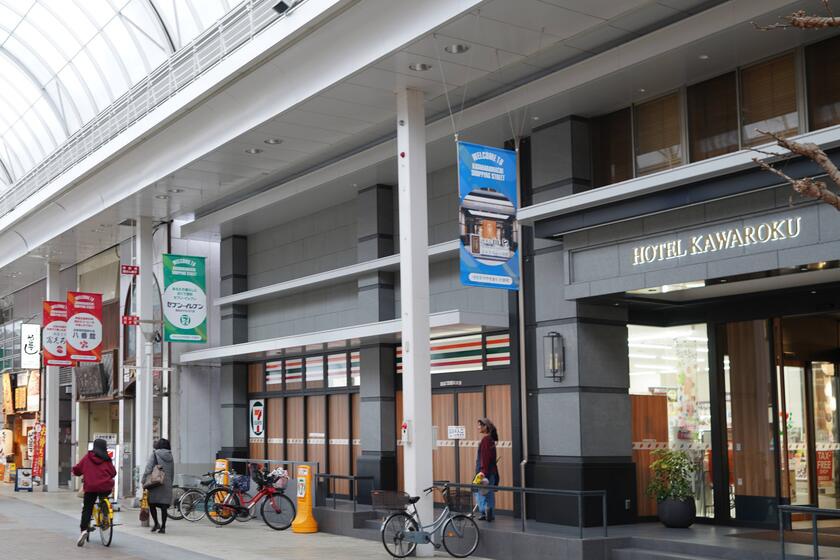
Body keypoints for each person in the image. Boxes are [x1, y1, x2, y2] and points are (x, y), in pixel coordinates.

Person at [72, 438, 116, 547]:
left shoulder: (88, 457)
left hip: (91, 487)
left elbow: (78, 469)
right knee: (103, 497)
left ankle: (84, 530)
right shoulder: (107, 458)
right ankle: (105, 513)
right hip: (105, 487)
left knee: (87, 508)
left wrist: (75, 471)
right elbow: (113, 473)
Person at [142, 438, 175, 534]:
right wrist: (170, 483)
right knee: (164, 506)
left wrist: (143, 480)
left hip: (155, 482)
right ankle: (163, 527)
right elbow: (172, 471)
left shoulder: (155, 454)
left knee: (152, 504)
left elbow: (148, 468)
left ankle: (156, 523)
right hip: (167, 483)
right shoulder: (170, 456)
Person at [475, 417, 499, 522]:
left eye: (480, 425)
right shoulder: (491, 440)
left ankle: (485, 511)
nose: (478, 427)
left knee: (479, 492)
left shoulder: (486, 440)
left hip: (485, 472)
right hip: (491, 472)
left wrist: (483, 473)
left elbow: (485, 458)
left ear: (485, 427)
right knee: (489, 494)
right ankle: (489, 514)